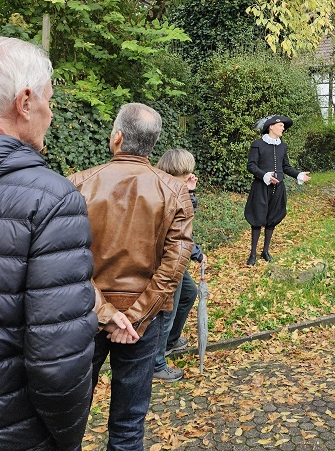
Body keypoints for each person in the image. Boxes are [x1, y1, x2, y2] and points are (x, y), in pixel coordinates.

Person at [0, 36, 133, 450]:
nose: (51, 111)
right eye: (49, 98)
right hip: (8, 432)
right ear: (25, 102)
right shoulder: (49, 198)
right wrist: (64, 438)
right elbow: (57, 362)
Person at [69, 103, 194, 451]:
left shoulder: (77, 184)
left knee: (68, 420)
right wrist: (135, 318)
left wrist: (106, 314)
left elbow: (65, 258)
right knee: (128, 423)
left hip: (82, 314)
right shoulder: (174, 190)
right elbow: (175, 264)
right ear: (152, 144)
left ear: (117, 137)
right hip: (142, 322)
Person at [152, 149, 205, 382]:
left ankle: (171, 341)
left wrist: (189, 192)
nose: (190, 175)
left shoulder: (175, 189)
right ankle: (156, 362)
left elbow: (185, 220)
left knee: (189, 293)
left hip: (176, 258)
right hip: (167, 260)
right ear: (176, 171)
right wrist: (196, 253)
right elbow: (177, 229)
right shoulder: (164, 190)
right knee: (167, 311)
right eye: (186, 172)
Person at [244, 114, 310, 265]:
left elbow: (285, 166)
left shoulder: (282, 146)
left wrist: (298, 174)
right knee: (257, 219)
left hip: (278, 188)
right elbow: (251, 165)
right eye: (280, 125)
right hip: (261, 187)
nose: (283, 128)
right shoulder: (258, 144)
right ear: (271, 126)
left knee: (272, 219)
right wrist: (264, 175)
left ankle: (265, 251)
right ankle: (252, 254)